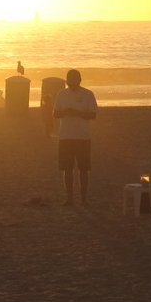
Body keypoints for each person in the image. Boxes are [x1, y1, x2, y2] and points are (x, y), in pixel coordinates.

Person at [53, 68, 97, 206]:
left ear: (79, 80)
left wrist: (77, 113)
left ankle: (84, 198)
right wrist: (65, 112)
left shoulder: (88, 94)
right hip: (66, 136)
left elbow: (93, 114)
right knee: (67, 168)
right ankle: (69, 198)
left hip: (83, 137)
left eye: (73, 80)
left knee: (83, 169)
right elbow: (55, 113)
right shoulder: (61, 94)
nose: (71, 82)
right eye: (69, 80)